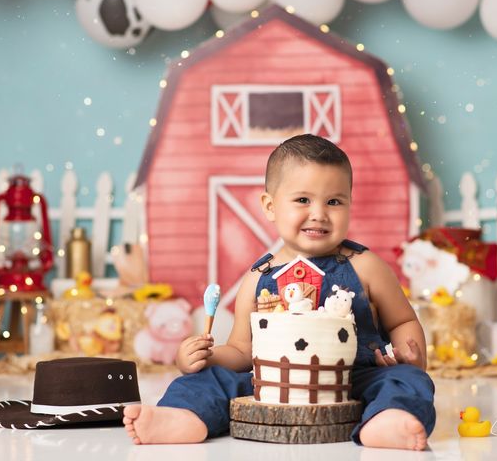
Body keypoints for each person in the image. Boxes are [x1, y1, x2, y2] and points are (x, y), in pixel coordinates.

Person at [124, 134, 435, 450]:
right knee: (207, 382)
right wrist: (205, 356)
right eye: (303, 200)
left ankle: (387, 419)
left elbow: (401, 321)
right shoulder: (259, 278)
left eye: (334, 201)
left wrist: (411, 357)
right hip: (273, 385)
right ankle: (182, 416)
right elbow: (242, 351)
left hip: (353, 380)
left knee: (408, 383)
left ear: (350, 205)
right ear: (270, 206)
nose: (319, 213)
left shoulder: (365, 266)